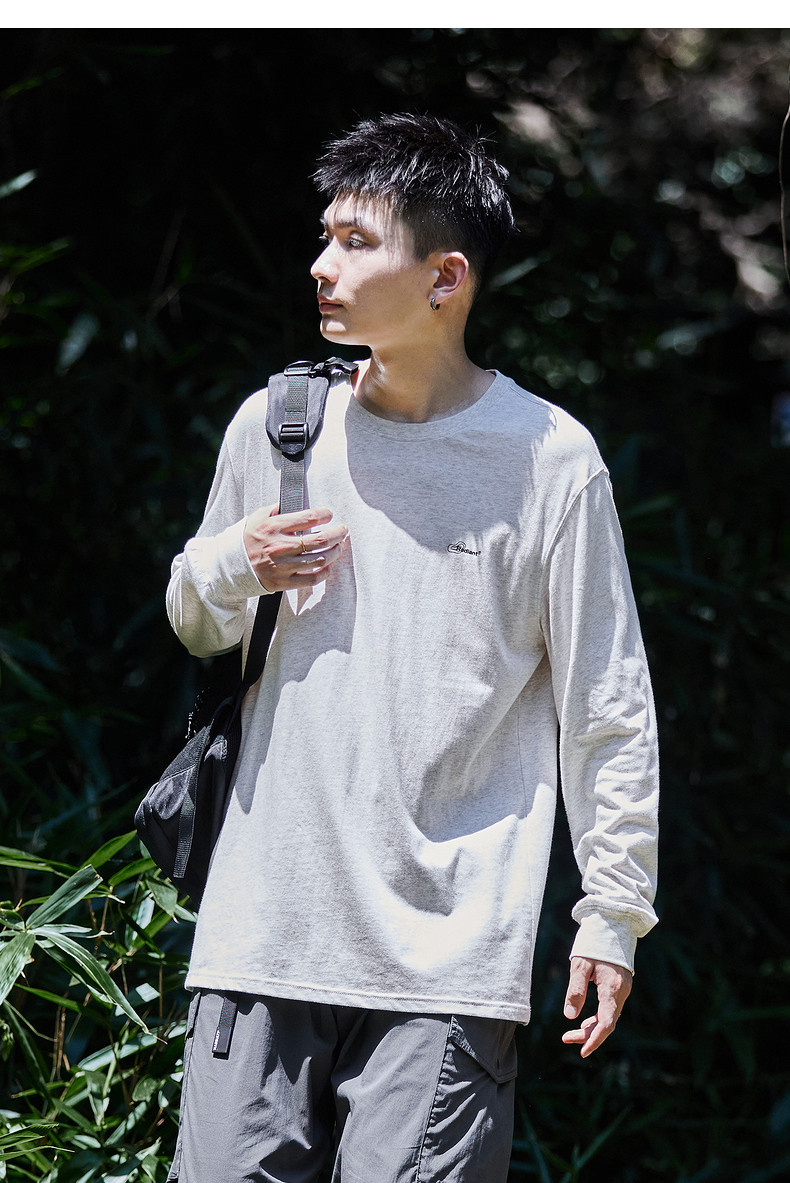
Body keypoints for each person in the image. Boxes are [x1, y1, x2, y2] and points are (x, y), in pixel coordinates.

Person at [165, 113, 659, 1183]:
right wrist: (237, 562)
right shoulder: (279, 427)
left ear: (444, 278)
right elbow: (196, 620)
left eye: (355, 242)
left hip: (444, 966)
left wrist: (612, 915)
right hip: (261, 939)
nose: (321, 265)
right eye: (324, 237)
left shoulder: (548, 461)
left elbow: (608, 706)